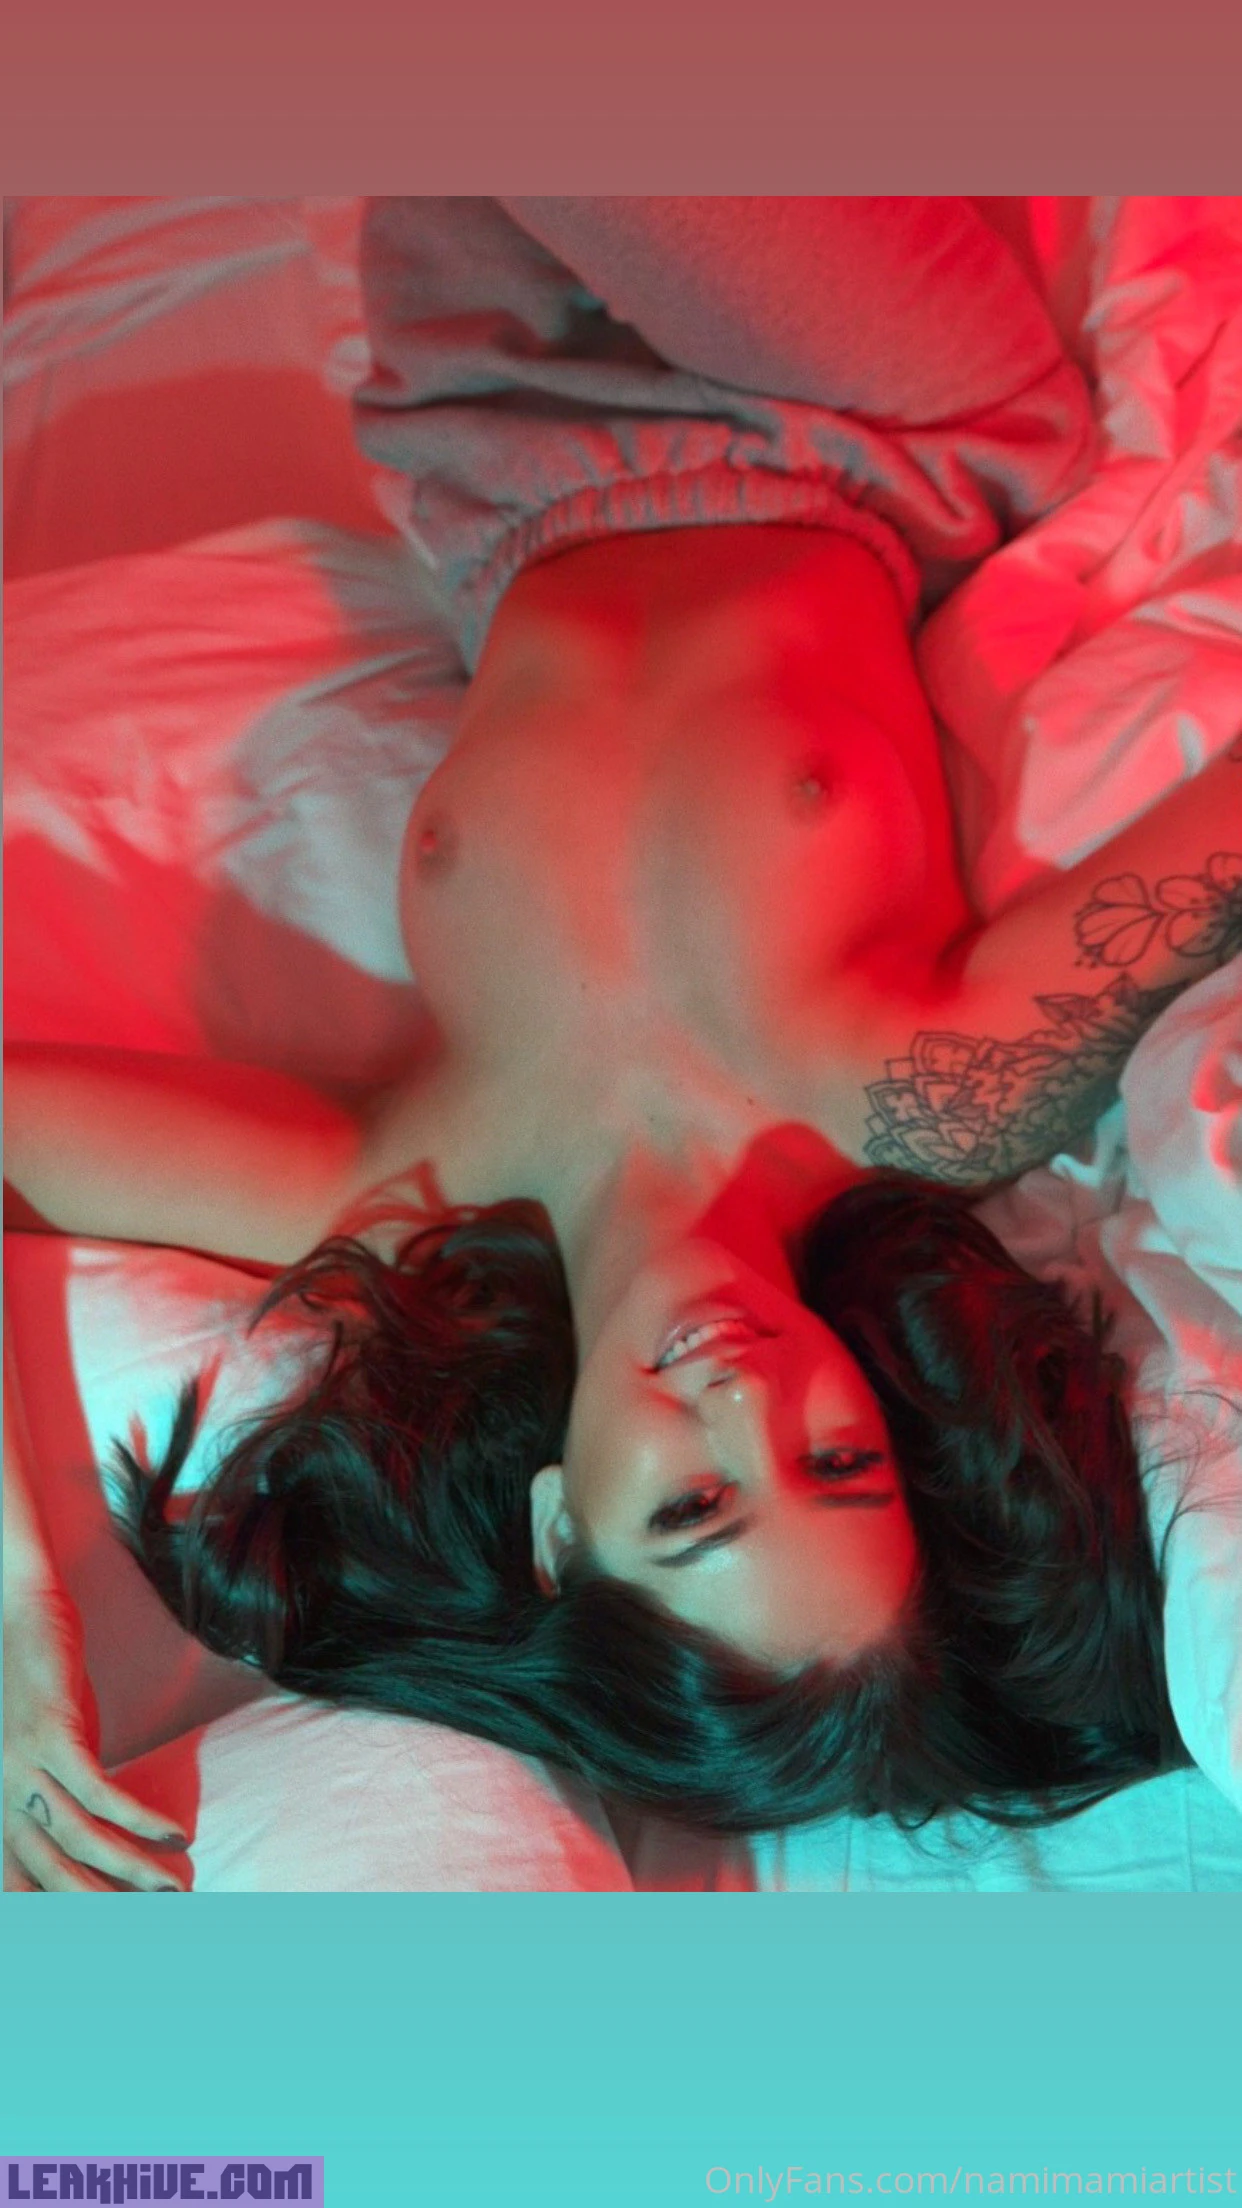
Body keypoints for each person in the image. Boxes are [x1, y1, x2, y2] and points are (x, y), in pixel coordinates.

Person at [6, 200, 1240, 1891]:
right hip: (858, 432)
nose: (741, 1402)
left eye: (691, 1507)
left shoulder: (406, 1192)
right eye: (834, 1462)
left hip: (491, 444)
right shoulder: (934, 1105)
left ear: (555, 1526)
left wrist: (21, 1613)